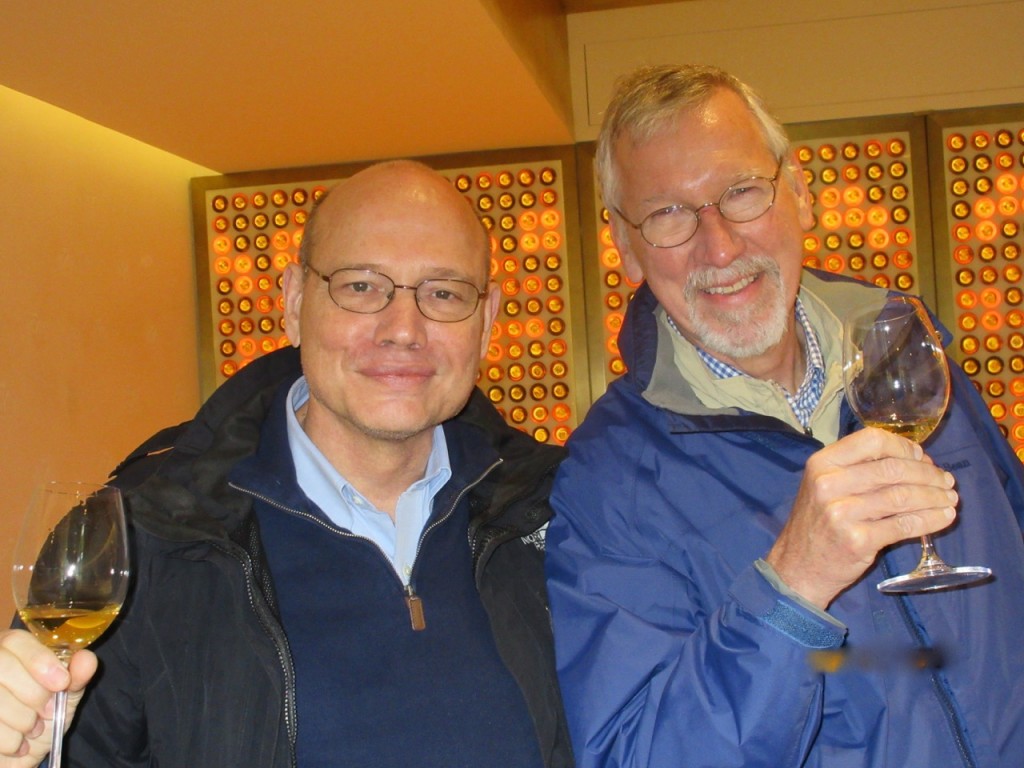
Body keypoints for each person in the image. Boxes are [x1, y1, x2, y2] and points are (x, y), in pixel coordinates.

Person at [0, 160, 574, 768]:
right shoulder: (141, 535)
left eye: (444, 293)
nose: (404, 329)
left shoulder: (565, 511)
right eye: (360, 286)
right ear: (295, 301)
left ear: (486, 323)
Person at [545, 63, 1024, 768]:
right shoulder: (607, 483)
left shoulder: (915, 361)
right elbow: (635, 756)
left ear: (798, 192)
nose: (721, 247)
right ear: (625, 247)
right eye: (670, 214)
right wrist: (791, 588)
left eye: (740, 192)